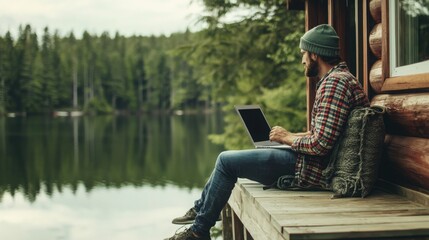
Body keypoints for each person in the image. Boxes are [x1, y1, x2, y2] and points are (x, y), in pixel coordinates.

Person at [165, 24, 370, 240]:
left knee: (226, 161)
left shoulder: (334, 84)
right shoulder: (339, 79)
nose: (302, 60)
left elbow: (320, 145)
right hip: (313, 161)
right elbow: (324, 134)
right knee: (228, 161)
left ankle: (198, 230)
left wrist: (286, 138)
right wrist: (293, 136)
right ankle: (201, 210)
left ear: (315, 54)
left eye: (303, 54)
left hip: (311, 168)